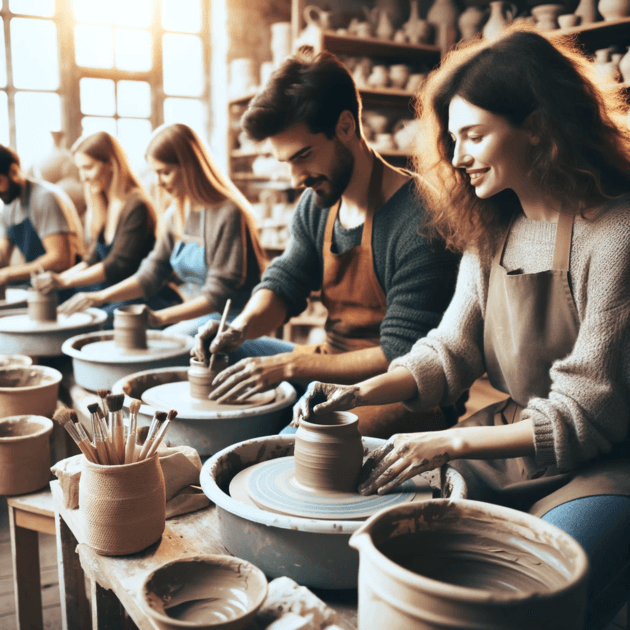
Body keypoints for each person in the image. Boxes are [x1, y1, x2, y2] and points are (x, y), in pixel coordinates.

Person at [293, 27, 630, 630]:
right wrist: (360, 393)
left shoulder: (614, 233)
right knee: (384, 511)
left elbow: (585, 415)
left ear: (539, 126)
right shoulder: (492, 228)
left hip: (611, 459)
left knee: (540, 585)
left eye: (474, 136)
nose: (457, 157)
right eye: (451, 139)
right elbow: (448, 350)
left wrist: (447, 441)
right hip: (517, 435)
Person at [193, 47, 461, 438]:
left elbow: (400, 354)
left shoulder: (419, 218)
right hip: (331, 361)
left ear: (346, 127)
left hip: (402, 387)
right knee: (221, 353)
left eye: (303, 156)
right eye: (285, 161)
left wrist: (290, 367)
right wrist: (239, 328)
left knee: (299, 447)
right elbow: (284, 283)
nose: (294, 177)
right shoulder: (315, 204)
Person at [60, 123, 267, 336]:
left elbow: (220, 294)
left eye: (165, 173)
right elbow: (152, 273)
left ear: (190, 167)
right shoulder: (174, 214)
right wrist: (100, 297)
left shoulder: (227, 212)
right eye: (155, 173)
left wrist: (161, 317)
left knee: (164, 342)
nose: (158, 183)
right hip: (198, 314)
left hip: (236, 319)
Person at [36, 131, 176, 324]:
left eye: (88, 168)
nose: (83, 177)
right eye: (80, 169)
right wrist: (57, 279)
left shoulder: (136, 205)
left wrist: (64, 281)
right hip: (107, 288)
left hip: (134, 293)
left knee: (94, 320)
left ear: (111, 164)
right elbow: (92, 259)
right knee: (58, 298)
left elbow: (116, 267)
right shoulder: (105, 202)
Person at [0, 144, 84, 296]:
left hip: (65, 287)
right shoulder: (8, 206)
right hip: (38, 285)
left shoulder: (44, 197)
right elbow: (3, 253)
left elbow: (61, 259)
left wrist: (7, 274)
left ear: (13, 171)